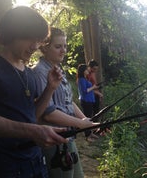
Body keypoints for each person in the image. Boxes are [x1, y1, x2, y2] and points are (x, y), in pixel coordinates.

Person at [0, 6, 68, 178]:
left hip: (35, 162)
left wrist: (50, 88)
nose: (35, 46)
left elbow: (32, 116)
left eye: (38, 40)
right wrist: (33, 131)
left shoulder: (29, 74)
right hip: (4, 166)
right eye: (30, 38)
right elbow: (31, 127)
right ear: (11, 34)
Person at [33, 27, 98, 178]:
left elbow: (69, 102)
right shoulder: (39, 73)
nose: (63, 50)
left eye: (65, 46)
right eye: (58, 46)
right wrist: (81, 124)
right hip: (53, 142)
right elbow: (48, 114)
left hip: (69, 138)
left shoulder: (58, 69)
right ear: (44, 47)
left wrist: (87, 121)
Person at [77, 64, 100, 142]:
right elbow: (84, 91)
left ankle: (90, 133)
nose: (88, 71)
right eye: (86, 70)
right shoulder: (81, 79)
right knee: (87, 118)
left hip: (89, 101)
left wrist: (94, 87)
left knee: (90, 117)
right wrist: (93, 87)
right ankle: (87, 136)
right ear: (83, 71)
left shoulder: (85, 79)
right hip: (86, 101)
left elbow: (88, 89)